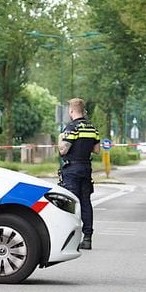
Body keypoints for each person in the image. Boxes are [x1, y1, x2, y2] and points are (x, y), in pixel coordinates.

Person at [57, 97, 100, 250]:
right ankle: (87, 237)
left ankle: (70, 239)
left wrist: (60, 139)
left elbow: (63, 150)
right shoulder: (92, 128)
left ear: (71, 110)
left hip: (71, 170)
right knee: (86, 203)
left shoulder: (71, 128)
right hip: (86, 168)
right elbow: (97, 150)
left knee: (71, 203)